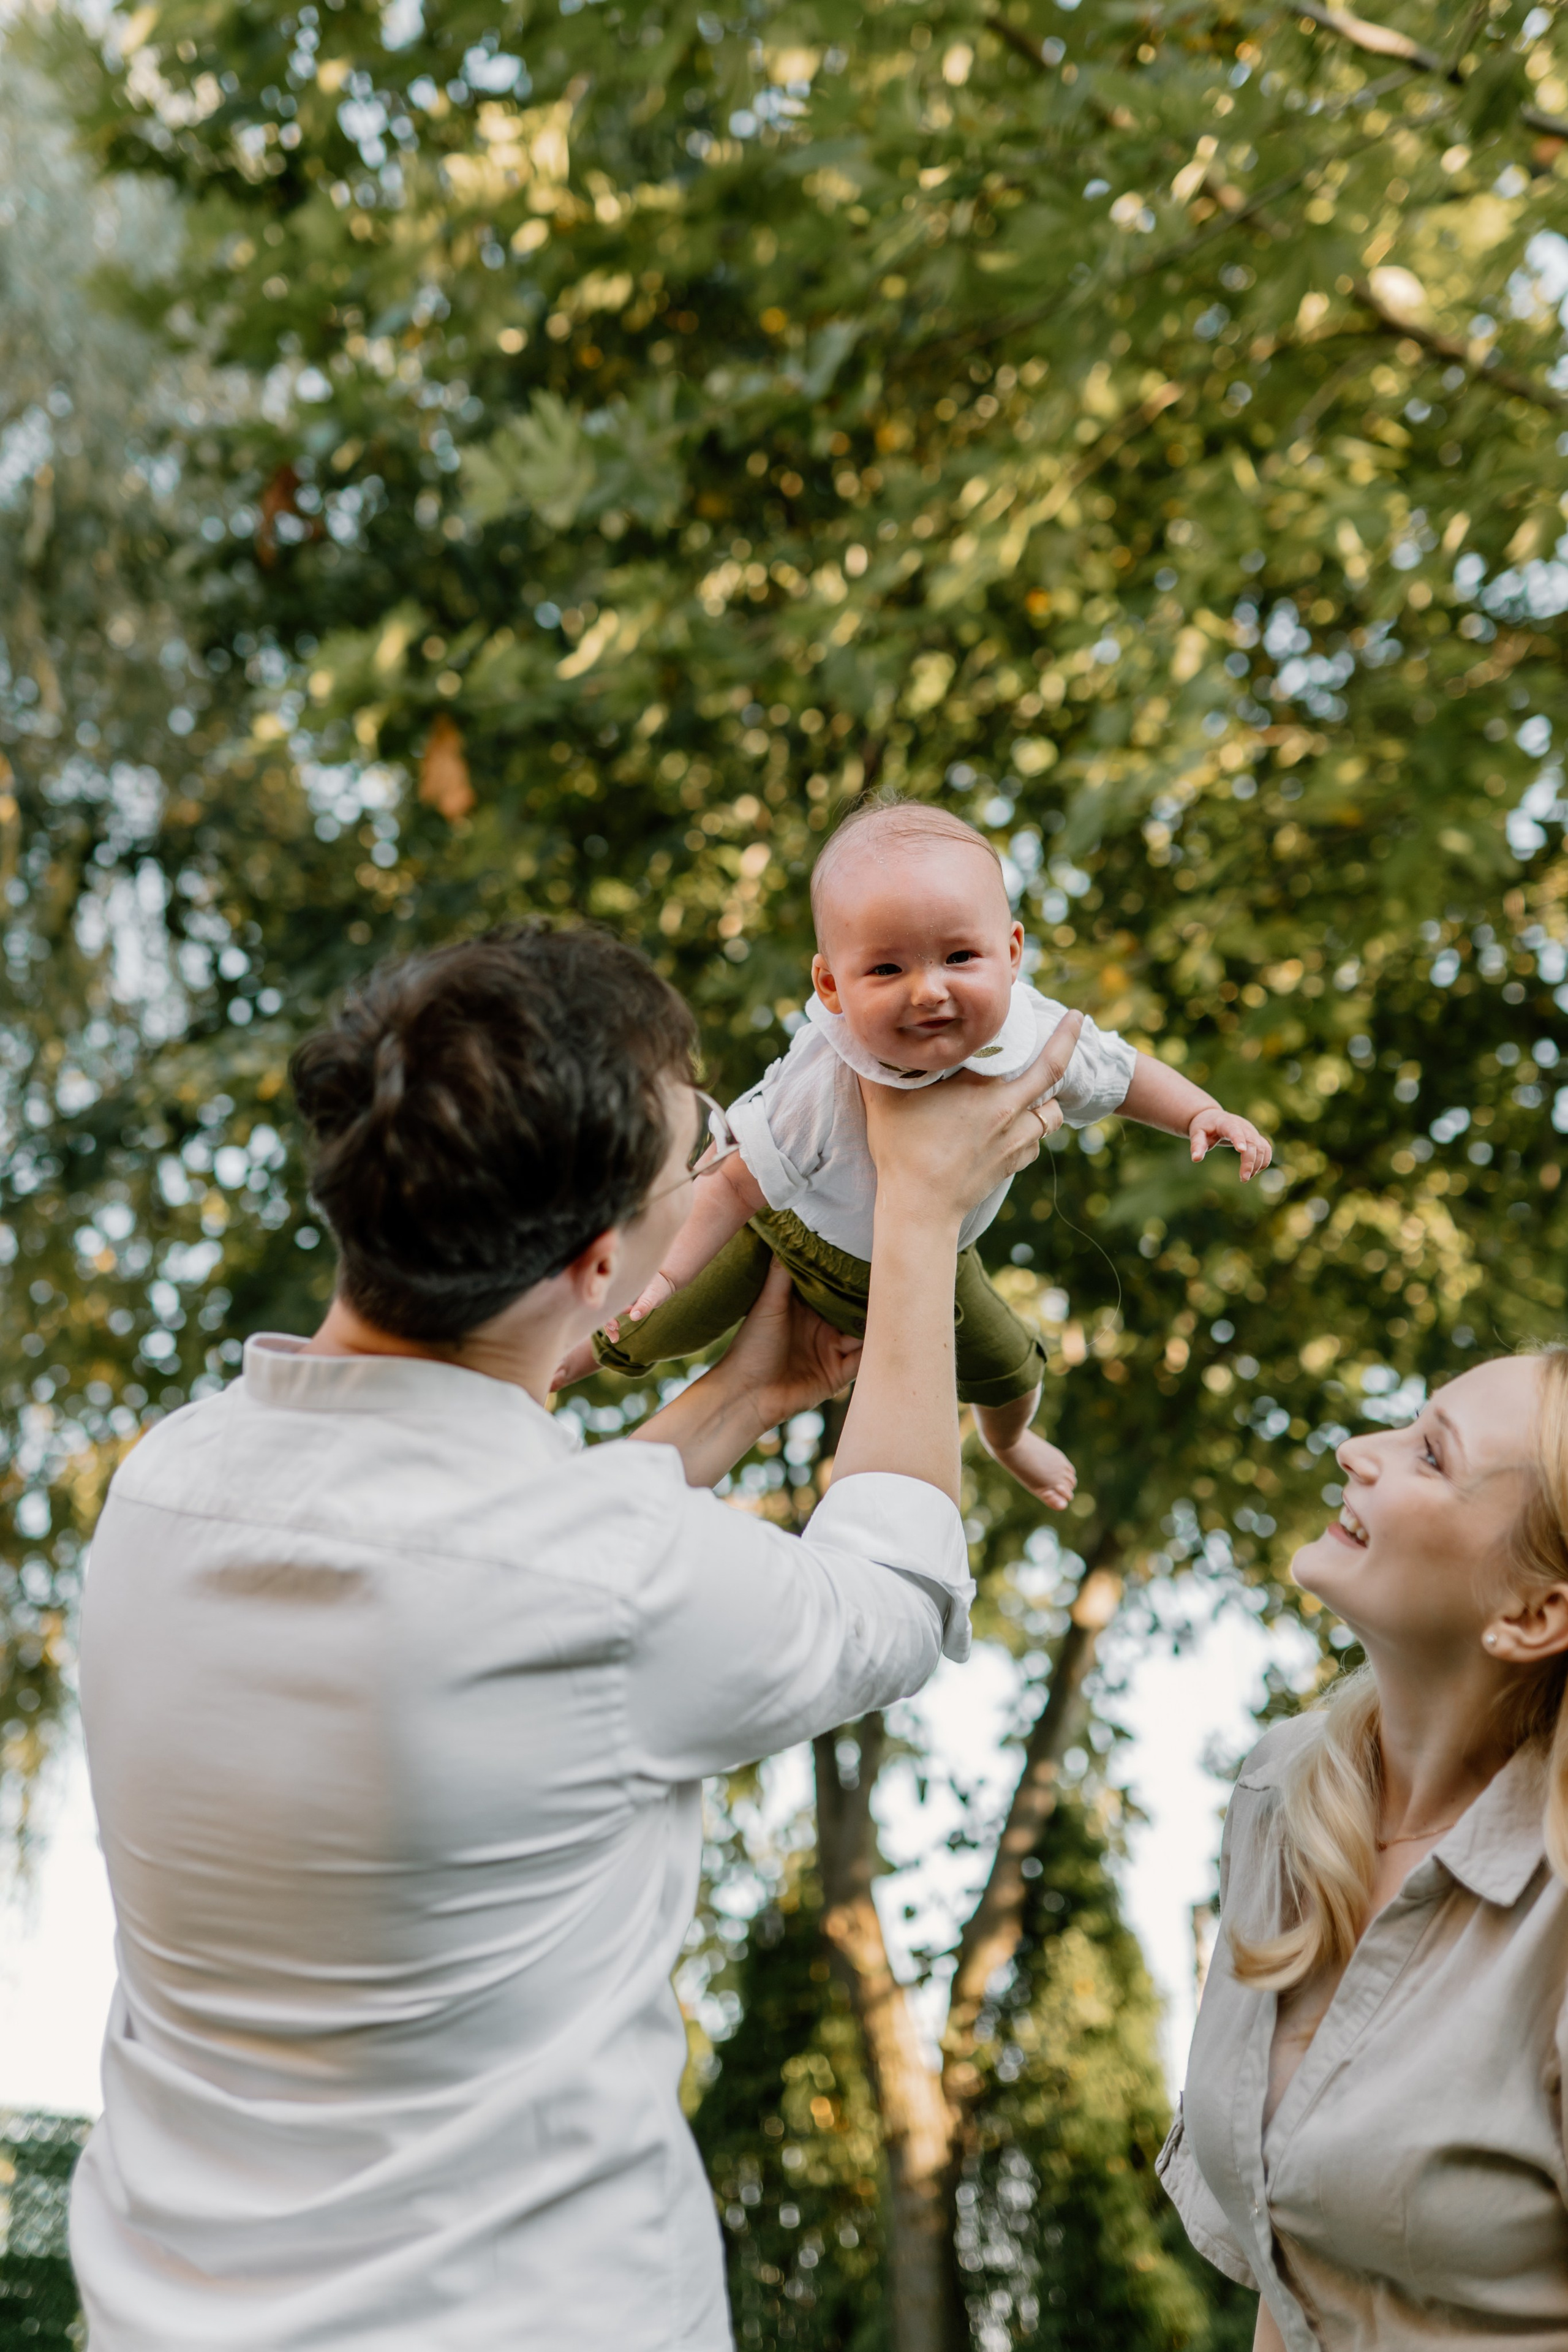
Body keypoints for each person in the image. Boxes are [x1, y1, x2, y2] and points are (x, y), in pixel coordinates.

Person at [69, 921, 1076, 2352]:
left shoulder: (164, 1488)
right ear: (601, 1262)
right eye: (700, 1156)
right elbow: (891, 1600)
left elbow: (484, 1556)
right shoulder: (600, 1575)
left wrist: (736, 1400)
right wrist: (916, 1222)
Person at [555, 798, 1270, 1509]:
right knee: (648, 1319)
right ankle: (559, 1358)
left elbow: (1122, 1074)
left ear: (1012, 953)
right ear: (831, 987)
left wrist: (1199, 1113)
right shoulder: (826, 1075)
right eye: (887, 970)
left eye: (960, 957)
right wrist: (665, 1274)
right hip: (786, 1241)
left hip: (937, 1267)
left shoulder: (1032, 1039)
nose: (929, 991)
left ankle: (1009, 1440)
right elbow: (733, 1189)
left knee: (1013, 1367)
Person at [1160, 1347, 1568, 2349]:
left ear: (1531, 1612)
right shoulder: (1279, 1792)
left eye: (1432, 1455)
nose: (1357, 1452)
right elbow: (1290, 2276)